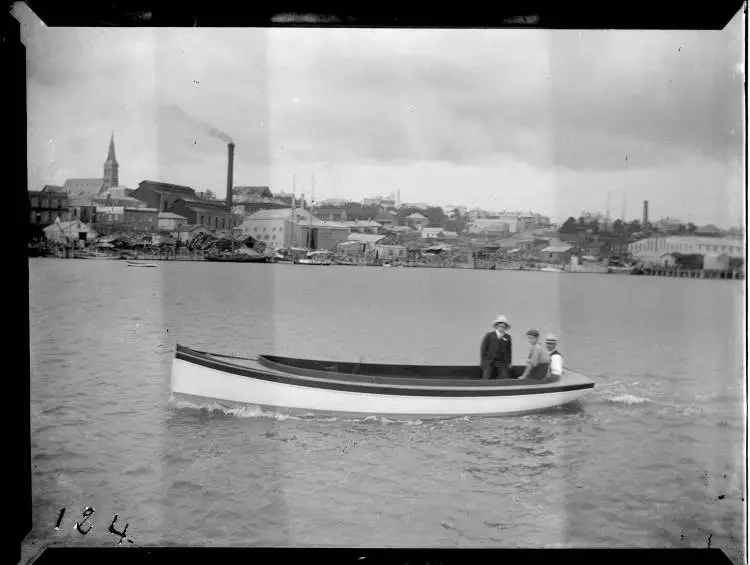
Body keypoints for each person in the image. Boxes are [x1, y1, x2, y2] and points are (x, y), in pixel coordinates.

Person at [480, 315, 513, 379]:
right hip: (489, 361)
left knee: (505, 378)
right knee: (486, 378)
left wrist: (509, 362)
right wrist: (483, 362)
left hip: (502, 362)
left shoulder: (507, 337)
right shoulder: (489, 335)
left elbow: (509, 351)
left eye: (504, 326)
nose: (502, 328)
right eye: (500, 326)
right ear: (497, 326)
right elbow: (483, 349)